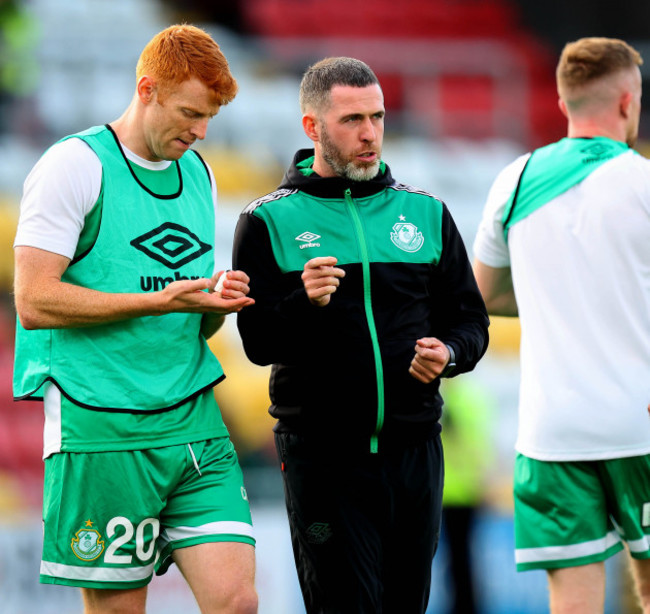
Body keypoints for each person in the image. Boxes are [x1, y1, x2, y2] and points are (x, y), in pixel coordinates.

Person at [12, 25, 258, 614]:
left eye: (210, 119)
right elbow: (33, 300)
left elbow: (185, 315)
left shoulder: (197, 172)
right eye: (190, 113)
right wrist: (160, 301)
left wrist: (211, 307)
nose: (200, 132)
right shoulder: (73, 165)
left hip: (191, 419)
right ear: (147, 89)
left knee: (238, 602)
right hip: (100, 425)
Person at [232, 56, 489, 614]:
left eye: (377, 117)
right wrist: (305, 303)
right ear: (312, 127)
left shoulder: (426, 213)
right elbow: (256, 342)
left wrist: (447, 353)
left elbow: (472, 322)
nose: (370, 133)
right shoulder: (268, 221)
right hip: (322, 459)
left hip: (415, 453)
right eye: (352, 120)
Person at [472, 37, 650, 613]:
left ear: (561, 99)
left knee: (572, 604)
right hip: (640, 423)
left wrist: (559, 299)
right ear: (628, 101)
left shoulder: (515, 179)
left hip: (553, 431)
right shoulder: (644, 183)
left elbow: (485, 294)